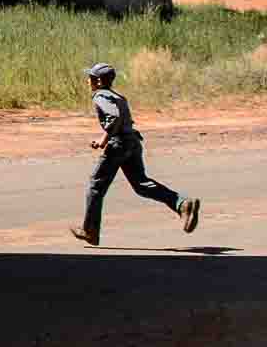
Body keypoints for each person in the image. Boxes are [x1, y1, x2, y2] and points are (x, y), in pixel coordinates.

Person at [69, 62, 200, 245]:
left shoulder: (100, 96)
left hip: (119, 145)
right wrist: (105, 138)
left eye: (90, 78)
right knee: (141, 184)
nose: (87, 81)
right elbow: (122, 119)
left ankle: (90, 230)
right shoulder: (117, 96)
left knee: (95, 186)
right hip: (132, 141)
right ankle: (182, 203)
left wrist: (105, 139)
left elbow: (114, 117)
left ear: (98, 81)